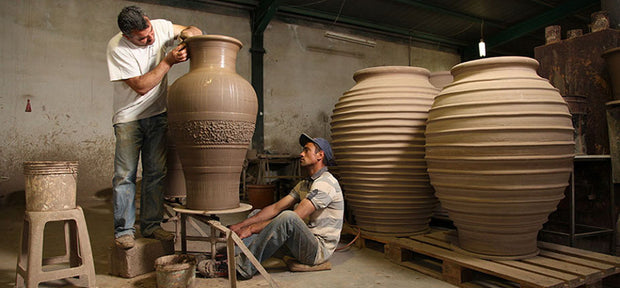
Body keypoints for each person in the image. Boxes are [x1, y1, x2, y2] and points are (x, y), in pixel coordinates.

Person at [106, 6, 202, 249]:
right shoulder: (117, 48)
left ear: (148, 21)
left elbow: (194, 29)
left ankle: (151, 226)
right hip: (129, 119)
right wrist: (169, 60)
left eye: (149, 32)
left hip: (158, 115)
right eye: (142, 38)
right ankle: (124, 231)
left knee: (156, 173)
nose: (150, 39)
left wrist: (187, 38)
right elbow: (141, 85)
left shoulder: (158, 26)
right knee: (125, 176)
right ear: (127, 36)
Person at [225, 133, 344, 279]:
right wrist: (242, 225)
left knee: (288, 217)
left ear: (320, 155)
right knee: (257, 214)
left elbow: (297, 216)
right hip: (300, 241)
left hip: (316, 250)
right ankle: (233, 251)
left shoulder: (326, 183)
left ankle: (241, 268)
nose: (301, 154)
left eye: (306, 150)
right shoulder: (305, 184)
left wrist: (250, 229)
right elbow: (275, 208)